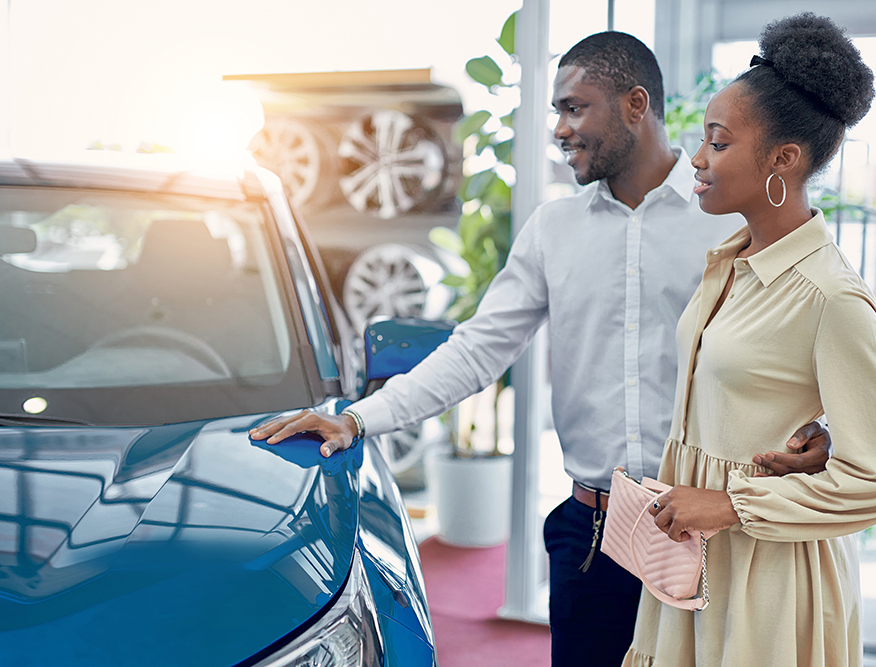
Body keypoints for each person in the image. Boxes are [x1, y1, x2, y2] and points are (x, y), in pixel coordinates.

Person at [251, 31, 832, 667]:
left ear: (636, 105)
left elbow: (812, 336)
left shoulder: (731, 219)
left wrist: (824, 425)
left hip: (708, 532)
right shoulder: (553, 230)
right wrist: (359, 418)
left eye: (574, 107)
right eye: (557, 110)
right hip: (593, 536)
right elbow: (477, 349)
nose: (559, 128)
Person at [624, 13, 876, 667]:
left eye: (719, 142)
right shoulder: (727, 262)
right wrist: (812, 427)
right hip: (693, 560)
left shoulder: (830, 295)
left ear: (782, 160)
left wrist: (732, 503)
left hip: (770, 581)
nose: (697, 159)